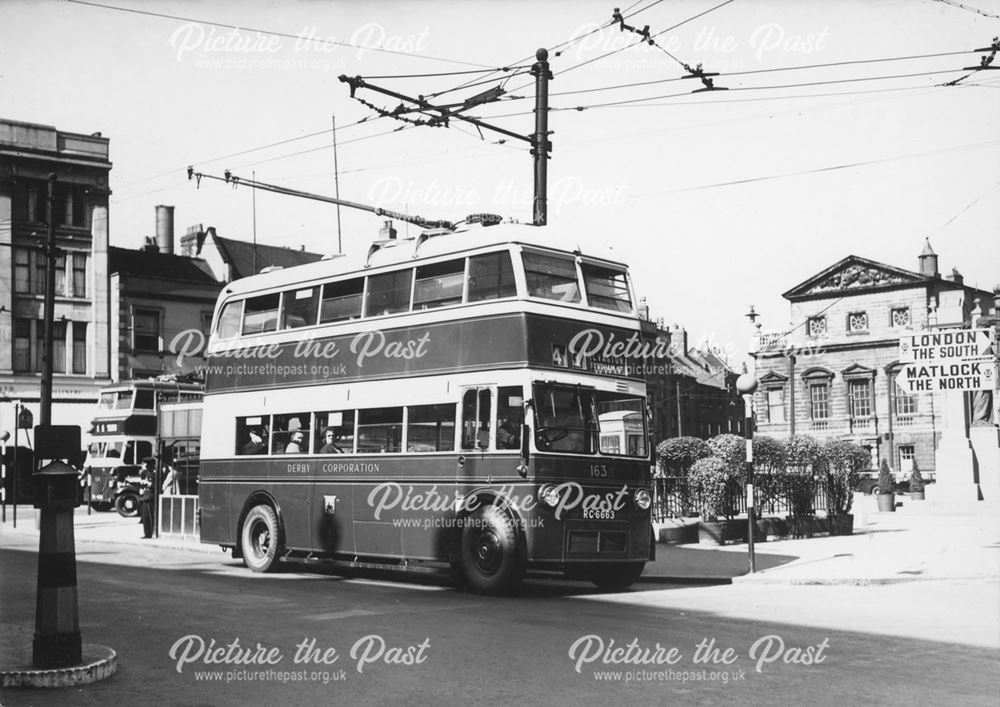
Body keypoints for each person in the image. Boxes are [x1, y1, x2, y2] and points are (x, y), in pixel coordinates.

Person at [138, 457, 155, 539]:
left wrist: (148, 483)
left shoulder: (153, 473)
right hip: (146, 496)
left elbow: (154, 484)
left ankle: (150, 533)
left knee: (150, 516)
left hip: (150, 496)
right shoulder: (145, 472)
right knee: (145, 517)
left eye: (144, 463)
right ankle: (147, 533)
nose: (143, 465)